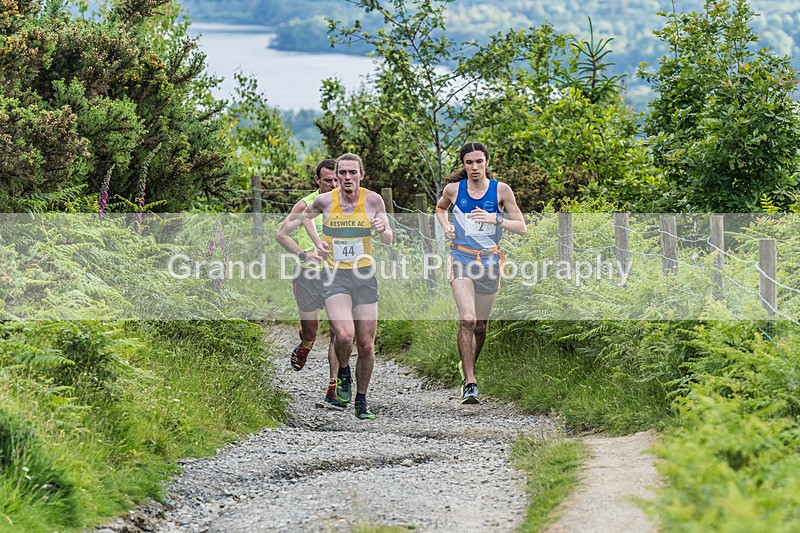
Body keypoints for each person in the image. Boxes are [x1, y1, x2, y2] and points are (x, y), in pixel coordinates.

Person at [302, 153, 393, 419]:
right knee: (343, 335)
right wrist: (318, 242)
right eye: (342, 173)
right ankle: (343, 371)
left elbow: (389, 238)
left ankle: (361, 400)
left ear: (361, 175)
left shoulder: (373, 200)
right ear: (337, 176)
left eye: (353, 173)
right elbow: (306, 217)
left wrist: (381, 229)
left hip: (364, 275)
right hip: (334, 275)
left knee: (365, 344)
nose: (347, 178)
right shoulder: (325, 201)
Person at [435, 141, 527, 404]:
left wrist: (495, 219)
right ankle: (471, 382)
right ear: (463, 165)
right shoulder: (453, 190)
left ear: (487, 162)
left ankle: (467, 369)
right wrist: (445, 226)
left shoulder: (501, 190)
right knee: (467, 319)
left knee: (481, 327)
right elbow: (440, 208)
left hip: (489, 263)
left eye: (479, 161)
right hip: (461, 259)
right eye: (469, 162)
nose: (474, 167)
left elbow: (522, 227)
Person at [275, 159, 344, 406]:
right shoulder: (305, 205)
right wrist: (304, 254)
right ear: (317, 181)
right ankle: (305, 344)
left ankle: (333, 387)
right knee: (311, 332)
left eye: (337, 179)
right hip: (308, 275)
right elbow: (281, 234)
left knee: (339, 330)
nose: (333, 184)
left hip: (338, 275)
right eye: (328, 180)